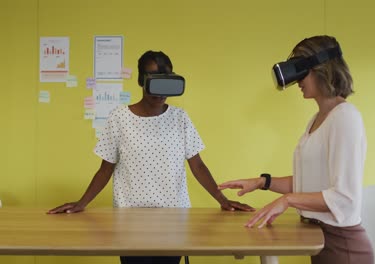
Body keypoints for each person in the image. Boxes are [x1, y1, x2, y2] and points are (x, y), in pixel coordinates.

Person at [48, 50, 254, 264]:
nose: (160, 90)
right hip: (130, 221)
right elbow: (105, 169)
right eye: (153, 80)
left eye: (166, 80)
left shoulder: (179, 118)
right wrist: (82, 203)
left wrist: (223, 201)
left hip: (174, 220)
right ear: (140, 80)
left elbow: (198, 166)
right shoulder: (119, 118)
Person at [218, 35, 374, 264]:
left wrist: (288, 200)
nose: (297, 81)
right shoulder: (317, 119)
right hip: (319, 239)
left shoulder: (345, 117)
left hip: (342, 246)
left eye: (301, 72)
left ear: (320, 69)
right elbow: (308, 184)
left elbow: (345, 197)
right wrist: (263, 182)